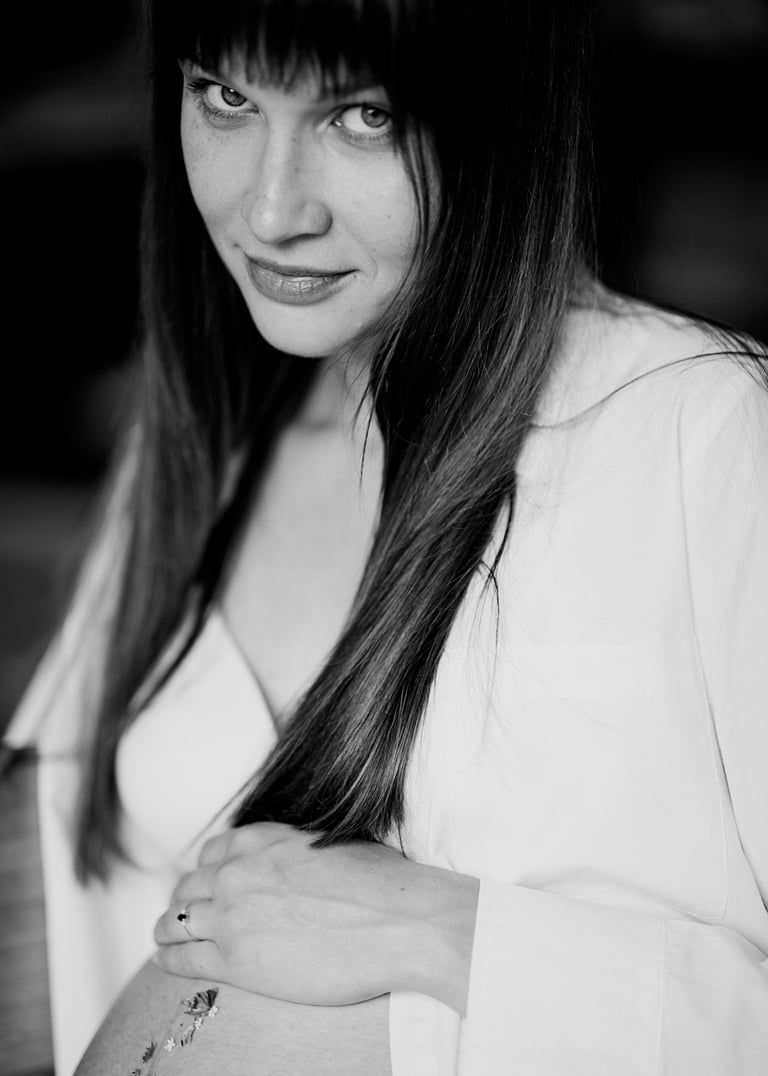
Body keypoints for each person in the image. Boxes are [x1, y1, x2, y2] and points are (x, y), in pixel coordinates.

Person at [6, 0, 768, 1073]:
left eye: (363, 115)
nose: (271, 209)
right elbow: (62, 909)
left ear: (507, 113)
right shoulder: (191, 451)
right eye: (225, 97)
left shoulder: (703, 428)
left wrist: (445, 931)